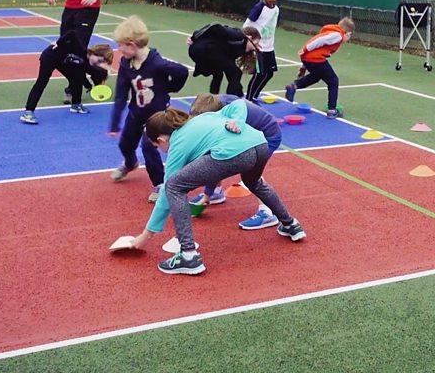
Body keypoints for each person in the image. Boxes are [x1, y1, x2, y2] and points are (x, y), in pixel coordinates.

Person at [128, 101, 305, 275]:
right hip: (260, 144)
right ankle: (291, 225)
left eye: (157, 147)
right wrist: (238, 121)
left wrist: (146, 235)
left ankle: (188, 255)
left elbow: (168, 190)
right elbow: (239, 105)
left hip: (235, 152)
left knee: (174, 186)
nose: (160, 149)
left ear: (161, 139)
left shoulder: (177, 144)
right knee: (254, 182)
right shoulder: (203, 118)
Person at [108, 16, 189, 202]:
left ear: (132, 45)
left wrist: (171, 88)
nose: (119, 49)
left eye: (121, 45)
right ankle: (130, 163)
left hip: (156, 116)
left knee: (148, 146)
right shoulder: (125, 63)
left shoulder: (157, 63)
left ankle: (160, 184)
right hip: (136, 112)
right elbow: (121, 93)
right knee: (125, 144)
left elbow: (182, 71)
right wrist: (114, 122)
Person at [188, 93, 281, 230]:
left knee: (251, 173)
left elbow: (216, 156)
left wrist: (206, 193)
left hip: (268, 135)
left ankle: (267, 212)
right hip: (255, 129)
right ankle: (216, 192)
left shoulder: (229, 119)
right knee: (220, 156)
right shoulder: (210, 104)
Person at [20, 31, 114, 124]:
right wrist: (58, 42)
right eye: (99, 60)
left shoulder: (89, 64)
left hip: (62, 61)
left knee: (76, 78)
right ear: (94, 53)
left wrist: (92, 85)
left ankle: (76, 105)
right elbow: (72, 33)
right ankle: (28, 112)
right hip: (50, 56)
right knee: (42, 82)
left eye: (101, 63)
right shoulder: (81, 49)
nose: (98, 63)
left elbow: (88, 76)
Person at [284, 17, 354, 119]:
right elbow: (319, 41)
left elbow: (316, 47)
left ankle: (294, 86)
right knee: (333, 81)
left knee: (315, 76)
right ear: (348, 32)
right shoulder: (337, 35)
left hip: (309, 59)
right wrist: (305, 49)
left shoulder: (333, 32)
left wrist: (303, 67)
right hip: (315, 59)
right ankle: (332, 110)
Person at [187, 23, 260, 97]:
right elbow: (215, 26)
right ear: (250, 38)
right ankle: (233, 100)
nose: (256, 47)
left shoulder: (240, 49)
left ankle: (213, 98)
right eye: (256, 44)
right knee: (235, 72)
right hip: (202, 51)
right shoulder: (239, 36)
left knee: (219, 73)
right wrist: (194, 37)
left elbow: (229, 71)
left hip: (207, 53)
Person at [244, 0, 281, 102]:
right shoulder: (259, 8)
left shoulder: (276, 9)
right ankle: (248, 101)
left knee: (269, 73)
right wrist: (251, 42)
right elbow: (246, 26)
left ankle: (254, 96)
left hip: (269, 47)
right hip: (258, 48)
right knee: (259, 74)